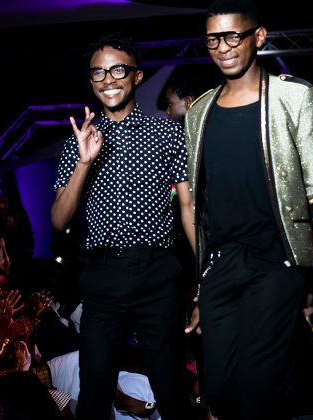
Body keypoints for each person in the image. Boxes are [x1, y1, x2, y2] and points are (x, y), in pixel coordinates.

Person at [182, 1, 313, 418]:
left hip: (276, 264)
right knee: (218, 391)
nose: (223, 47)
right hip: (220, 268)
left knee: (257, 388)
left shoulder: (294, 97)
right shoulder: (198, 112)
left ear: (258, 36)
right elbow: (200, 205)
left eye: (232, 36)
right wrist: (201, 279)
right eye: (213, 39)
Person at [50, 32, 194, 420]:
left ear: (137, 77)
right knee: (94, 390)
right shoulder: (77, 142)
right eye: (98, 73)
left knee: (171, 388)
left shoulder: (166, 134)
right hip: (102, 280)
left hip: (158, 274)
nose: (108, 79)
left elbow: (189, 207)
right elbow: (59, 219)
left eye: (117, 70)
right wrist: (84, 161)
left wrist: (207, 275)